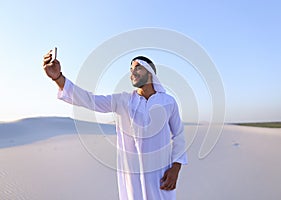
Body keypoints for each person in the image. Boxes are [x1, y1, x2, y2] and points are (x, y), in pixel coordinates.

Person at [43, 50, 188, 200]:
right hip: (132, 176)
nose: (132, 73)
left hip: (160, 174)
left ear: (150, 72)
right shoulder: (123, 101)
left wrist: (176, 168)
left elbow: (178, 134)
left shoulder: (168, 101)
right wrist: (58, 78)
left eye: (137, 68)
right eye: (131, 69)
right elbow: (90, 100)